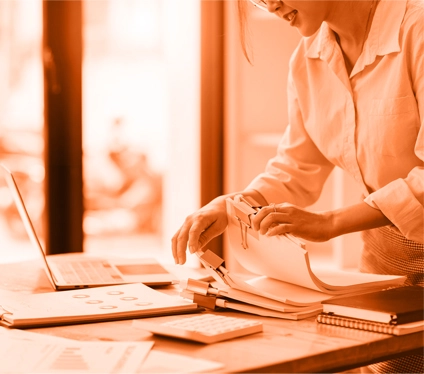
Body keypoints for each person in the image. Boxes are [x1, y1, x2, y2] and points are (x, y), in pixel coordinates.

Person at [172, 1, 423, 372]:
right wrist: (233, 205)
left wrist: (331, 223)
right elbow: (297, 166)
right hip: (384, 268)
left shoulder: (416, 27)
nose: (270, 4)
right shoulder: (308, 58)